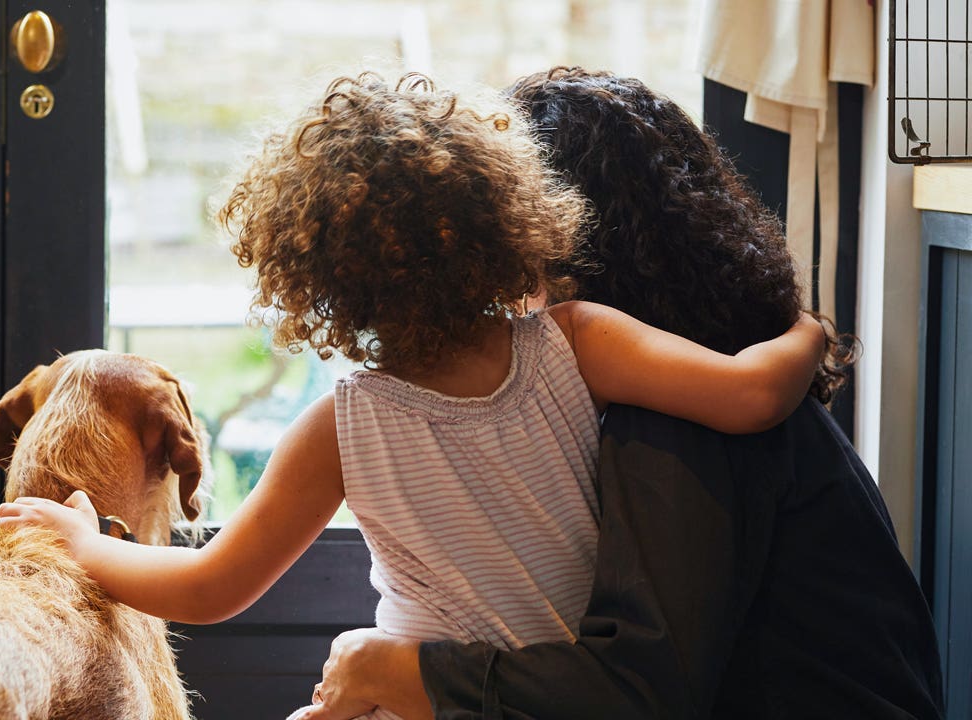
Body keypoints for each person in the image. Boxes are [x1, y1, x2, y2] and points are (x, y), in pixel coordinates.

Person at [0, 71, 825, 719]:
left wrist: (81, 541)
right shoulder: (578, 340)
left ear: (317, 279)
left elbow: (213, 585)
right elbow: (753, 396)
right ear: (511, 214)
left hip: (422, 700)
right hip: (546, 702)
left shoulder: (341, 426)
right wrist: (807, 330)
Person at [293, 68, 946, 720]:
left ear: (564, 233)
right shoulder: (703, 368)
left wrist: (391, 667)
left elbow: (634, 695)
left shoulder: (672, 417)